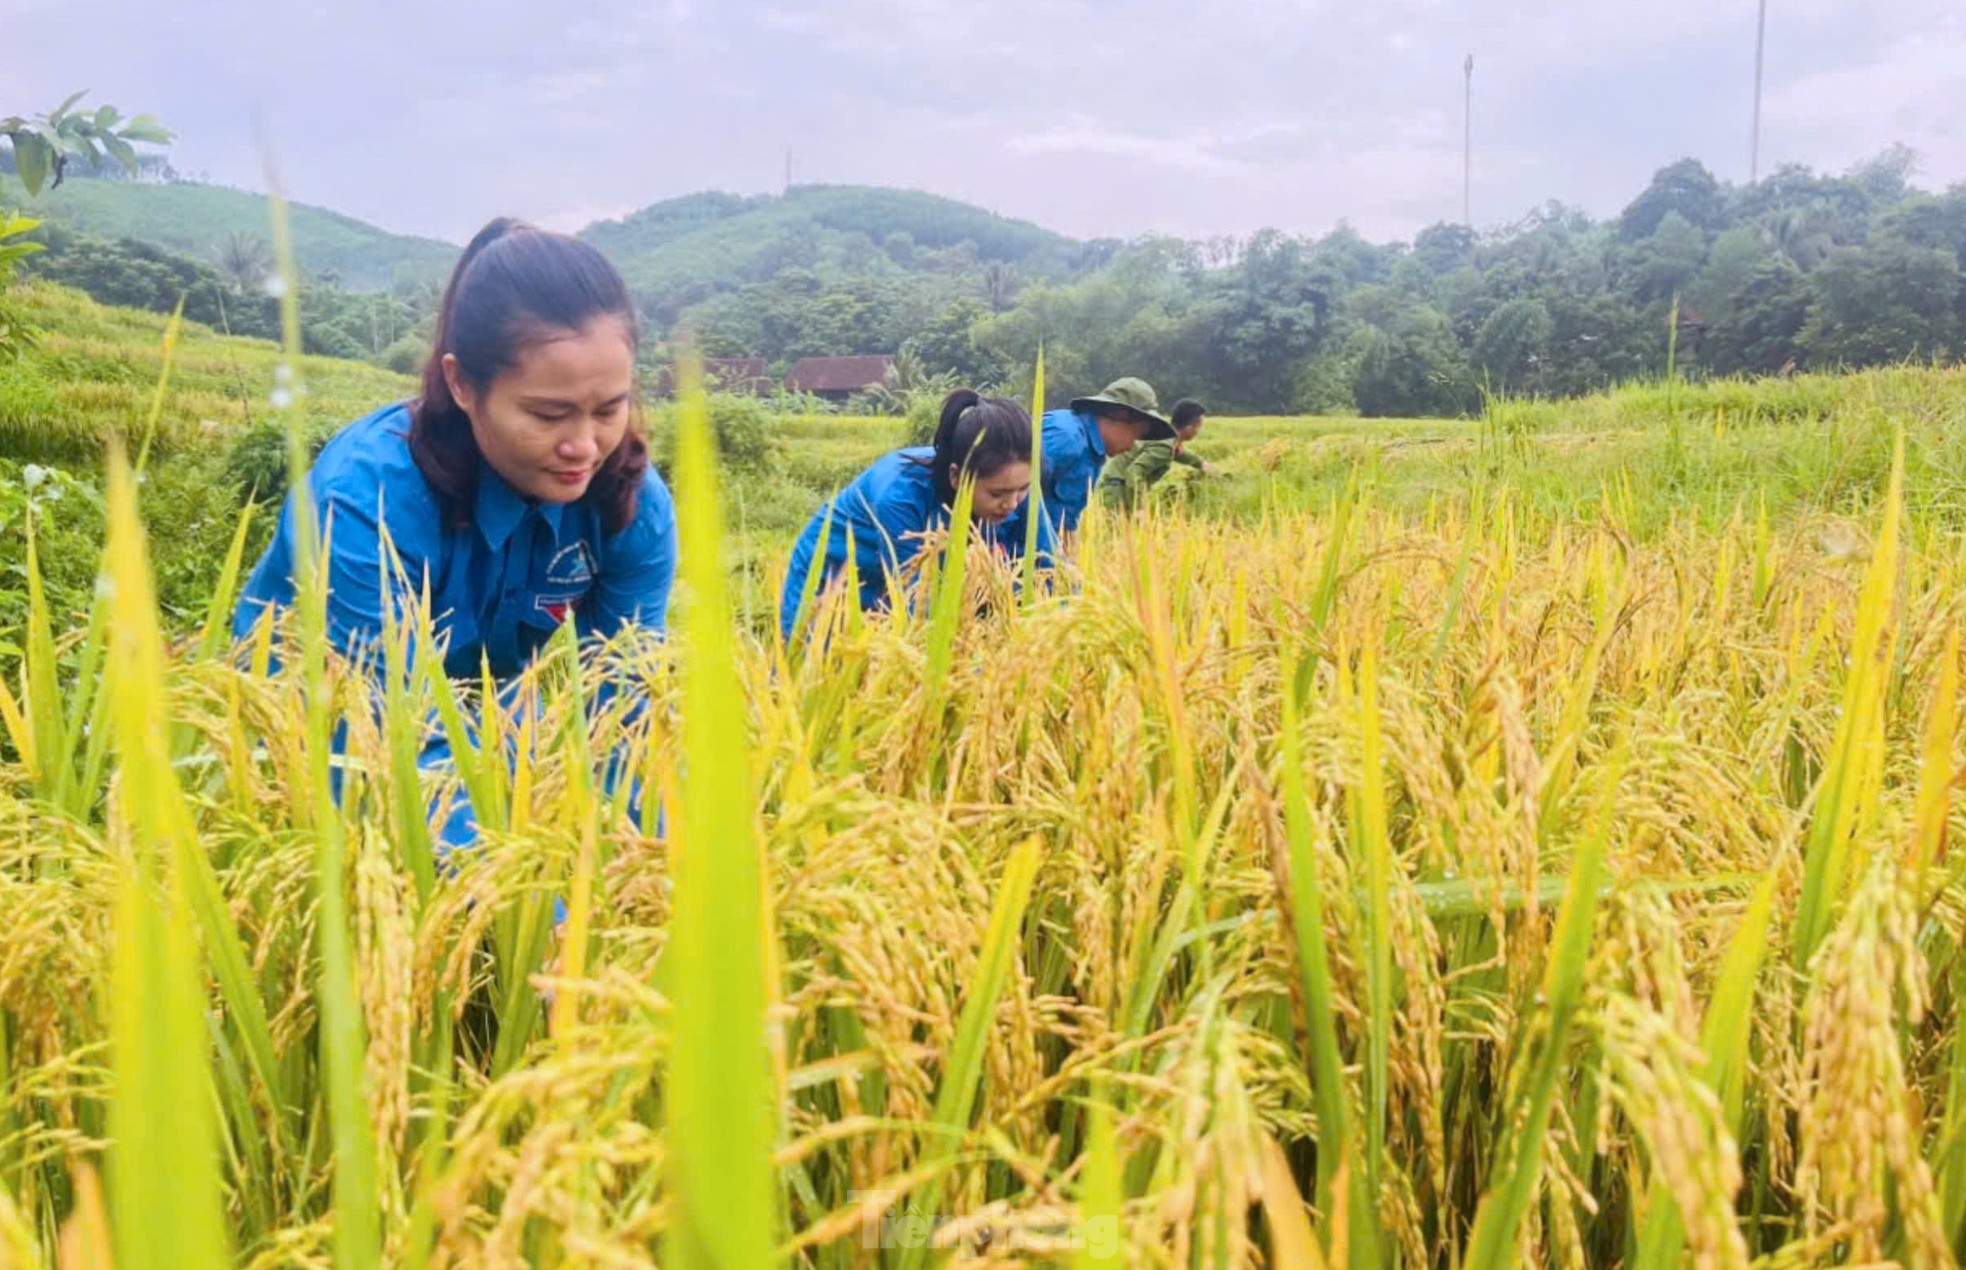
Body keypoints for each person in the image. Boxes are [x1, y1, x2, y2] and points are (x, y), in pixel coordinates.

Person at [233, 218, 678, 866]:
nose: (584, 446)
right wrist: (536, 921)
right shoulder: (366, 502)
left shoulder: (630, 504)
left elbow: (619, 704)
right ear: (463, 384)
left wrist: (640, 872)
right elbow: (390, 738)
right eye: (549, 415)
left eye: (609, 409)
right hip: (315, 716)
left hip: (472, 706)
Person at [780, 388, 1053, 641]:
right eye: (997, 494)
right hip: (834, 582)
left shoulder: (1017, 489)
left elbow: (1052, 571)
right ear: (956, 477)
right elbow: (914, 604)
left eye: (1023, 490)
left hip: (907, 583)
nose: (1012, 504)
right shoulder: (899, 495)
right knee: (822, 677)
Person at [1037, 377, 1176, 537]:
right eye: (1135, 435)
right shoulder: (1066, 437)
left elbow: (1065, 523)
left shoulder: (1092, 456)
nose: (1132, 446)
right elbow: (1011, 493)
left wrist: (1070, 560)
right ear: (1120, 415)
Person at [1097, 397, 1211, 510]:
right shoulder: (1165, 445)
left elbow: (1177, 452)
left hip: (1119, 485)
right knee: (1121, 527)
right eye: (1199, 427)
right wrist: (1139, 507)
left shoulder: (1166, 435)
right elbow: (1134, 472)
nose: (1198, 431)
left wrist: (1200, 463)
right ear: (1189, 429)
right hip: (1118, 490)